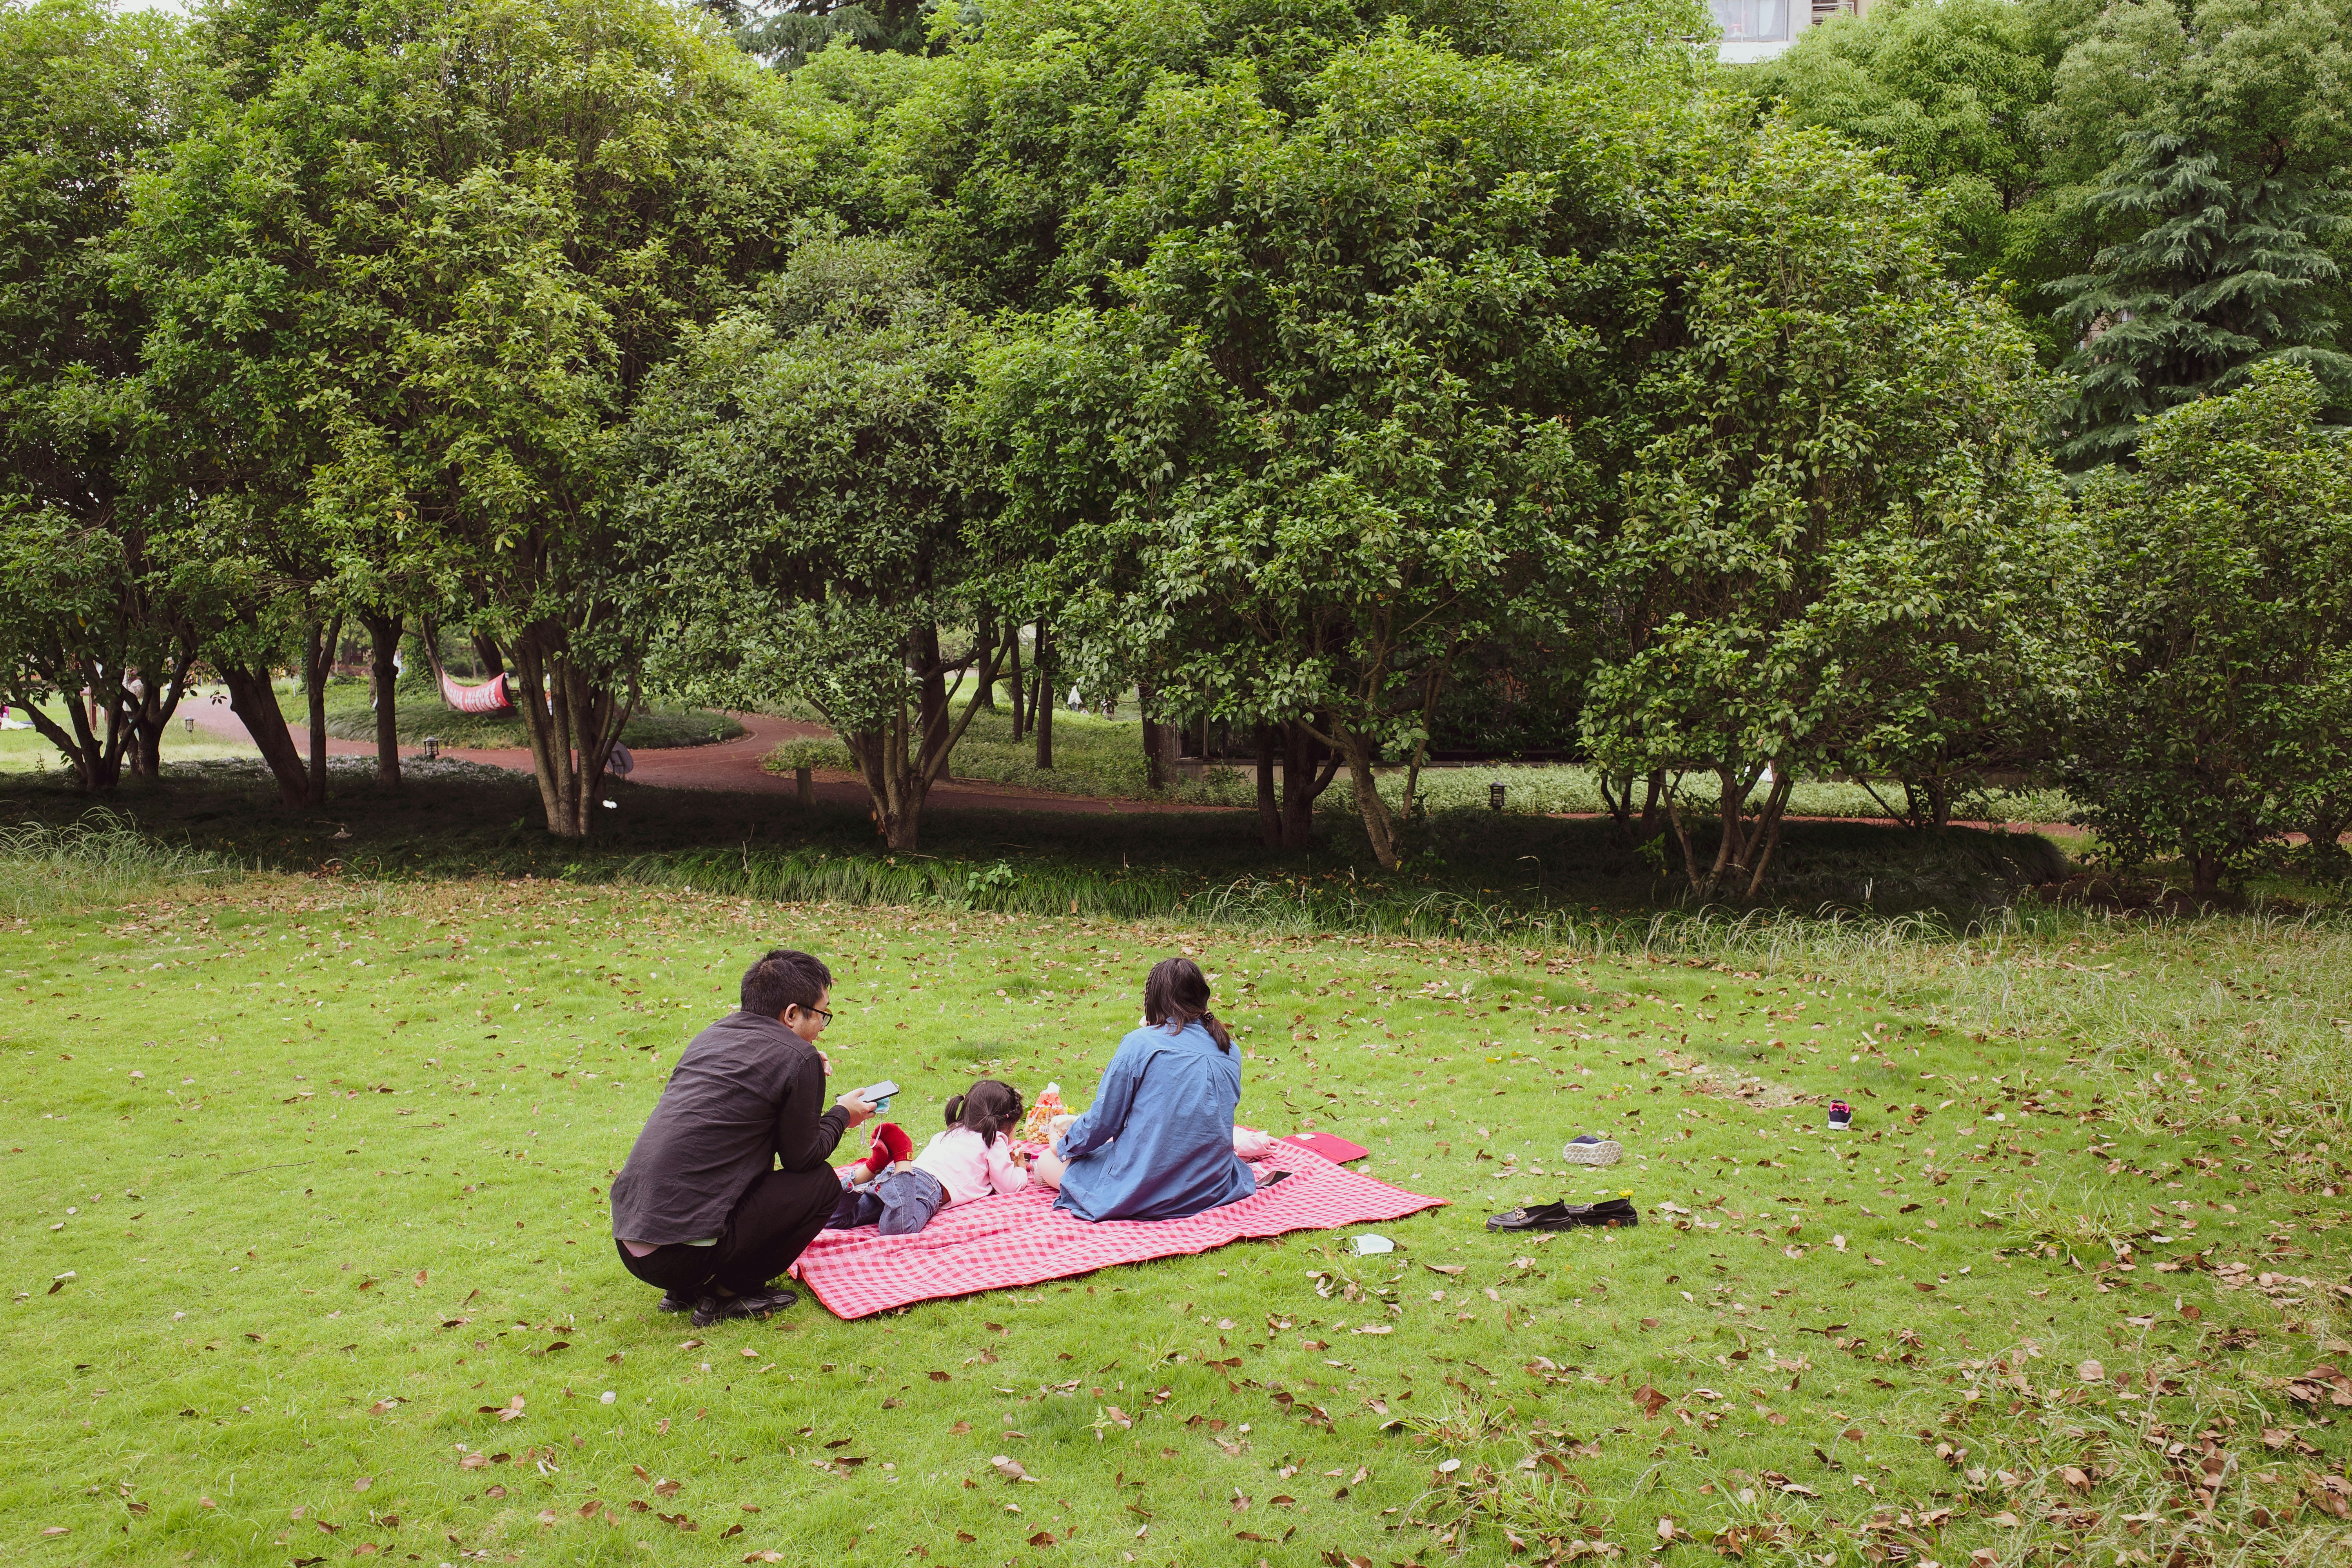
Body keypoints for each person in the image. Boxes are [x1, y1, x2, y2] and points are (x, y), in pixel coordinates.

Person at [608, 948, 875, 1326]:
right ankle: (729, 1294)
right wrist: (841, 1115)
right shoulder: (798, 1058)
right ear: (792, 1014)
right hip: (683, 1256)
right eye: (823, 1015)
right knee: (822, 1186)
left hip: (632, 1239)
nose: (821, 1027)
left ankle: (684, 1290)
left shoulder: (711, 1036)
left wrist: (806, 1066)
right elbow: (802, 1159)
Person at [1030, 957, 1259, 1221]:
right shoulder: (1230, 1049)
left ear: (1153, 1001)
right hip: (1212, 1187)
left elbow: (1104, 1123)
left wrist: (1061, 1146)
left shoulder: (1140, 1043)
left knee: (1049, 1161)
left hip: (1144, 1191)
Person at [828, 1079, 1030, 1236]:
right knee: (898, 1230)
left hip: (898, 1177)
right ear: (1007, 1123)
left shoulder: (951, 1132)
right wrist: (1020, 1168)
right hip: (927, 1188)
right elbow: (1008, 1186)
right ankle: (902, 1156)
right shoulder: (994, 1140)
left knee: (833, 1218)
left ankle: (874, 1166)